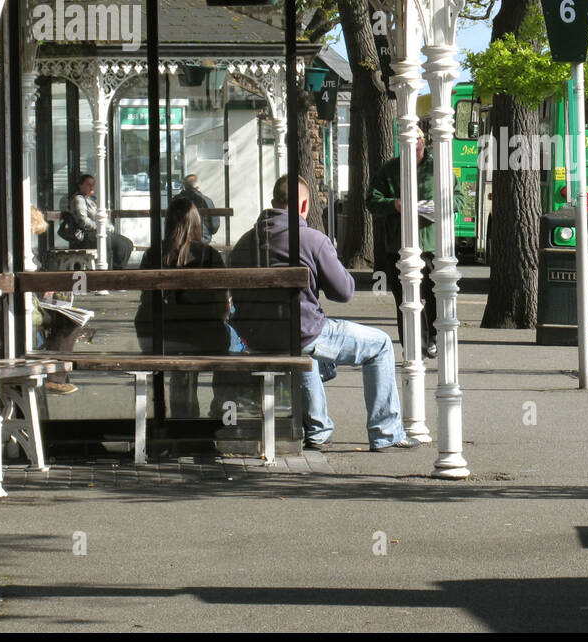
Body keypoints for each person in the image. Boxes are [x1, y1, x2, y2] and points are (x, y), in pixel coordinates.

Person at [230, 174, 418, 453]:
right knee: (378, 345)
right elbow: (344, 292)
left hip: (256, 337)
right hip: (301, 333)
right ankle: (386, 431)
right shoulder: (311, 239)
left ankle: (318, 429)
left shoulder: (244, 242)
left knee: (305, 350)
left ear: (272, 203)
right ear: (304, 205)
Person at [134, 195, 243, 417]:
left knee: (181, 360)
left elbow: (146, 299)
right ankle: (223, 411)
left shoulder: (153, 254)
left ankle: (182, 420)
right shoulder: (209, 254)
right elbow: (223, 306)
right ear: (196, 223)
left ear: (168, 224)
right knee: (234, 346)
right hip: (204, 335)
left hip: (155, 336)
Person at [367, 122, 437, 357]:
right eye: (406, 147)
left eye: (416, 146)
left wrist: (437, 207)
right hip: (398, 246)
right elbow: (372, 200)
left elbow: (457, 199)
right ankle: (412, 347)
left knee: (430, 296)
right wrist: (393, 205)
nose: (413, 151)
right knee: (405, 299)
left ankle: (431, 339)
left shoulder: (437, 167)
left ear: (423, 143)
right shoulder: (389, 170)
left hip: (429, 245)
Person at [68, 173, 133, 268]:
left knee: (128, 243)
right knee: (119, 244)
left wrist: (108, 227)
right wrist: (101, 227)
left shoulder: (93, 200)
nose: (91, 187)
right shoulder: (79, 199)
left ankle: (119, 268)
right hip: (87, 236)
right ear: (80, 185)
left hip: (99, 233)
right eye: (88, 184)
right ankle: (117, 271)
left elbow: (104, 218)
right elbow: (83, 221)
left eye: (93, 184)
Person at [176, 174, 220, 243]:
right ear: (198, 187)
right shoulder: (206, 200)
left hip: (180, 239)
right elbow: (214, 226)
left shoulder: (176, 199)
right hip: (202, 239)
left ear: (185, 186)